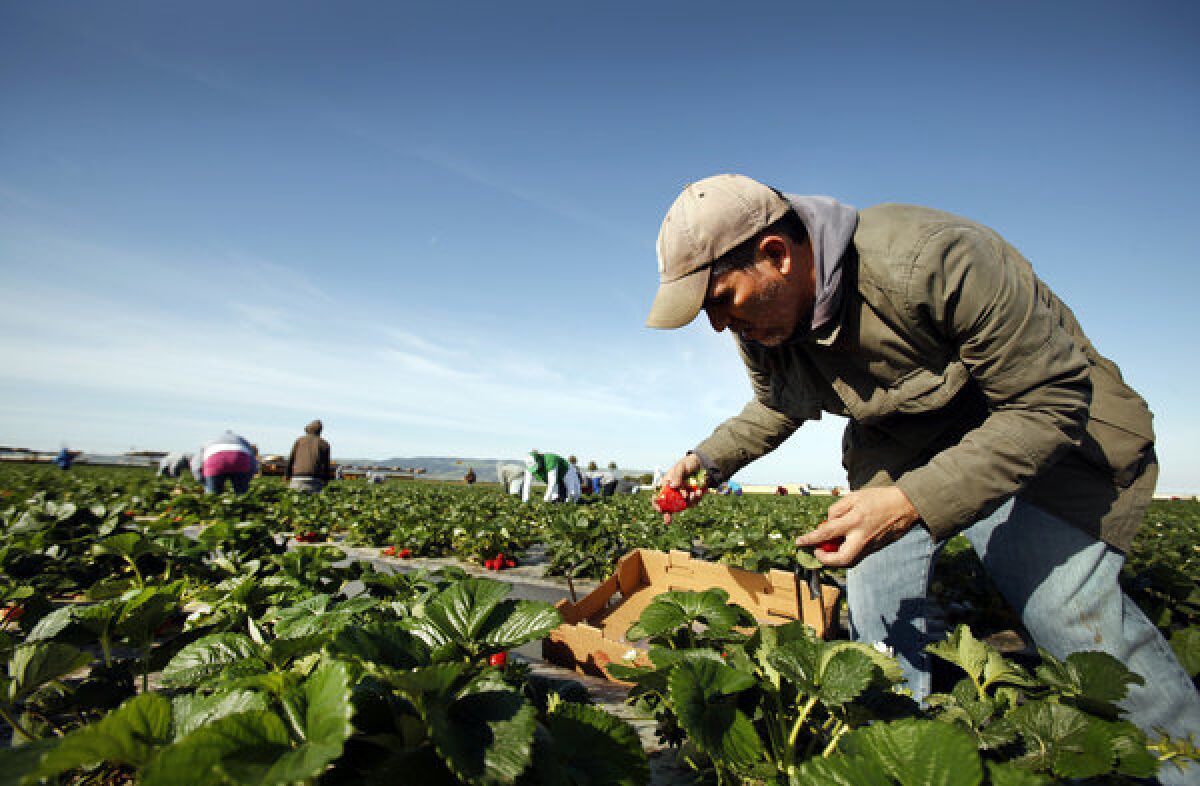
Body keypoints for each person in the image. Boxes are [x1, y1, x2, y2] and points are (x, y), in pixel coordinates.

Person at [647, 173, 1199, 780]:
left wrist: (913, 501)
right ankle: (897, 758)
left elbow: (1048, 401)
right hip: (903, 445)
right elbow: (779, 403)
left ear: (776, 255)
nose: (720, 326)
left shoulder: (935, 257)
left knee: (1068, 613)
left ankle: (1184, 760)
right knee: (878, 615)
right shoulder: (764, 321)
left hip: (1043, 429)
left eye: (720, 299)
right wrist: (709, 459)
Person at [195, 429, 258, 495]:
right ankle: (243, 502)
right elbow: (252, 457)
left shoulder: (211, 441)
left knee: (212, 496)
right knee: (242, 494)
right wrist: (248, 476)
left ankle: (212, 500)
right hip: (240, 460)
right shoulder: (242, 440)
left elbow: (196, 463)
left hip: (214, 461)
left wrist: (202, 480)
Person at [284, 420, 331, 493]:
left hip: (297, 477)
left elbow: (291, 459)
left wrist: (287, 476)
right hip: (315, 479)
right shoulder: (325, 444)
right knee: (314, 501)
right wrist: (326, 481)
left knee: (294, 500)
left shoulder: (299, 440)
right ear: (320, 431)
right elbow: (326, 466)